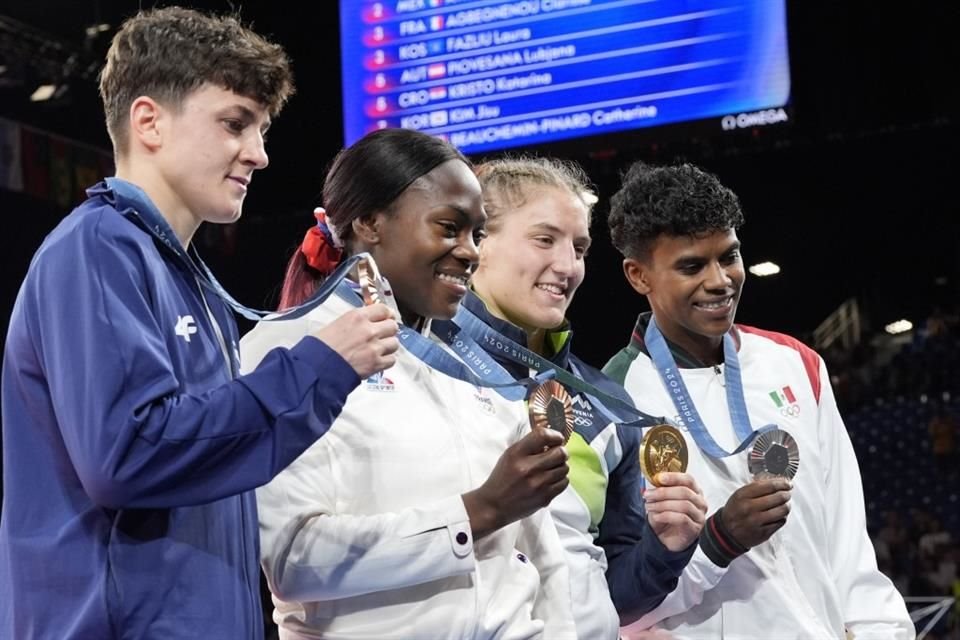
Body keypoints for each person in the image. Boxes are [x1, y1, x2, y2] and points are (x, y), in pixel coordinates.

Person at [0, 8, 399, 639]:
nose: (259, 154)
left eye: (262, 129)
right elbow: (128, 455)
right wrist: (319, 367)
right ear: (149, 122)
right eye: (235, 123)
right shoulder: (99, 248)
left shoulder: (183, 276)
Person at [240, 128, 577, 639]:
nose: (469, 252)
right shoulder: (287, 349)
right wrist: (478, 511)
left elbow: (540, 554)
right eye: (449, 227)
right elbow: (293, 560)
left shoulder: (473, 363)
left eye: (476, 234)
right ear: (370, 222)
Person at [603, 160, 915, 639]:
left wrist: (883, 631)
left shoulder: (796, 363)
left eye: (728, 256)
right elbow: (618, 604)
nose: (720, 280)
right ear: (638, 275)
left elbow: (846, 536)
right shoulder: (614, 399)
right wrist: (719, 539)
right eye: (691, 266)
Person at [459, 156, 707, 639]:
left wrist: (665, 549)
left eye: (579, 248)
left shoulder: (606, 404)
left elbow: (616, 595)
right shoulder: (419, 369)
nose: (568, 266)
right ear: (479, 241)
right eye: (544, 239)